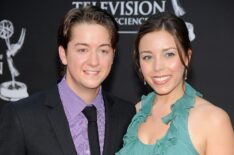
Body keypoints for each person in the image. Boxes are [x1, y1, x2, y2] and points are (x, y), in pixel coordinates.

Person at [0, 6, 135, 155]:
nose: (94, 61)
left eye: (103, 51)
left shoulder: (127, 115)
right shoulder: (22, 117)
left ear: (113, 55)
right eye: (82, 50)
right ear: (63, 54)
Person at [116, 12, 234, 155]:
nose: (157, 66)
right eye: (147, 57)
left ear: (187, 57)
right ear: (139, 64)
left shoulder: (213, 120)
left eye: (169, 54)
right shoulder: (135, 113)